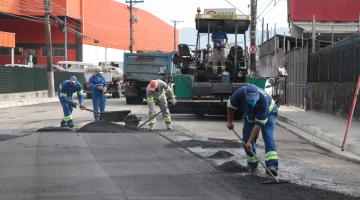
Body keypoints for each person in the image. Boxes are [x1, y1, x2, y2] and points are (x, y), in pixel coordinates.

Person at [226, 84, 279, 176]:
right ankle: (252, 163)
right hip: (250, 115)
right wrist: (229, 121)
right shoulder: (238, 94)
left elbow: (258, 125)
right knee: (246, 138)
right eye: (251, 99)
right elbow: (230, 107)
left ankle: (272, 165)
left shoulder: (263, 101)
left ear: (258, 95)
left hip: (269, 113)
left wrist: (251, 141)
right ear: (245, 96)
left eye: (255, 98)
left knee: (267, 135)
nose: (253, 101)